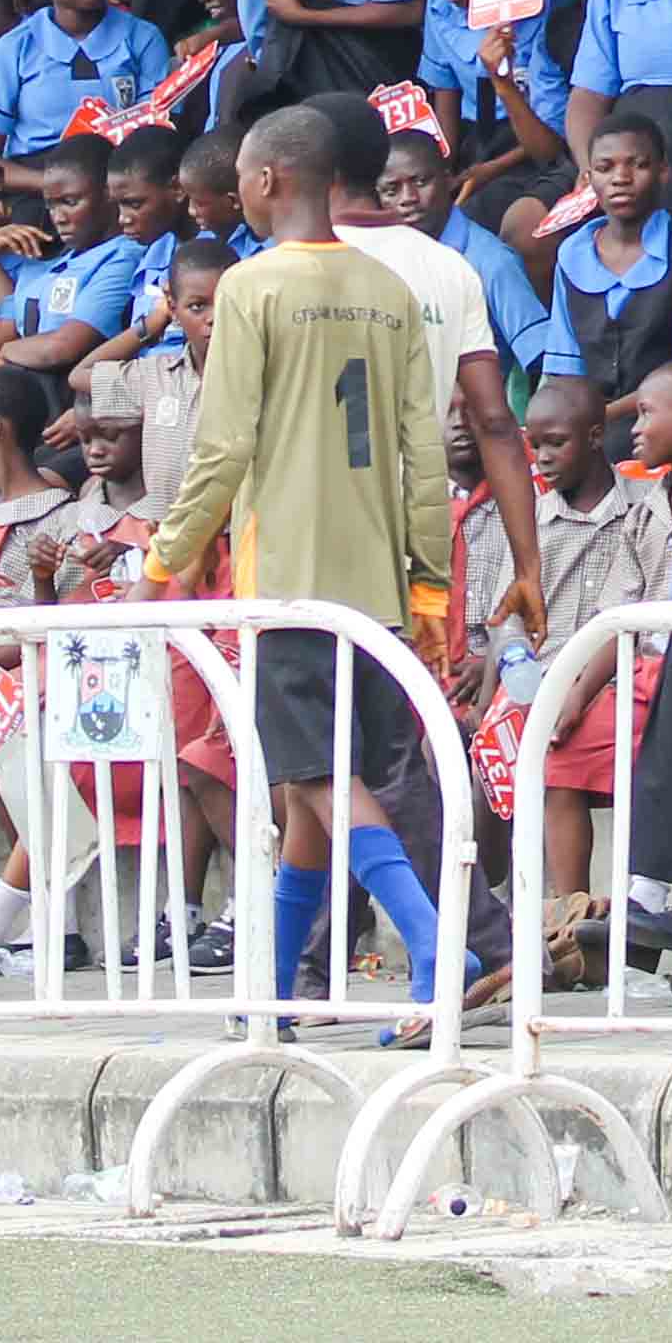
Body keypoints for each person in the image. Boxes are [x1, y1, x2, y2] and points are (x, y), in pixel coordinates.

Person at [141, 102, 462, 1020]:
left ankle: (433, 945)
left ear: (267, 179)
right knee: (308, 785)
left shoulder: (251, 287)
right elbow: (424, 452)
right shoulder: (389, 288)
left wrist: (166, 559)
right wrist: (429, 582)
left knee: (320, 776)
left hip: (285, 574)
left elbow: (223, 447)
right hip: (376, 577)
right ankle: (276, 986)